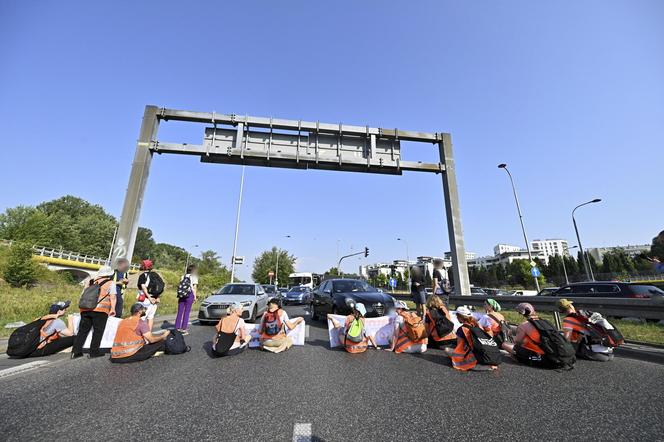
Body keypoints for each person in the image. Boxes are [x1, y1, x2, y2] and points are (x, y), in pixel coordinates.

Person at [502, 303, 575, 369]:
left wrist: (510, 334)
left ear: (521, 313)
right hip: (562, 356)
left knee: (505, 345)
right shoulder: (546, 321)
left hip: (547, 359)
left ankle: (520, 359)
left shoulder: (524, 325)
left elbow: (517, 342)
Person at [72, 266, 116, 359]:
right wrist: (113, 309)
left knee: (82, 331)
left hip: (85, 309)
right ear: (109, 274)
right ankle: (94, 352)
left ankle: (75, 352)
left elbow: (83, 294)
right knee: (98, 331)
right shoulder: (111, 283)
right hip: (100, 311)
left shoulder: (90, 281)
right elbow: (113, 297)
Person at [443, 306, 498, 371]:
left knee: (447, 350)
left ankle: (478, 366)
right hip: (484, 353)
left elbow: (459, 346)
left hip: (473, 355)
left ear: (461, 317)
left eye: (457, 316)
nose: (457, 318)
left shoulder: (461, 329)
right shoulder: (477, 325)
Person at [175, 264, 199, 335]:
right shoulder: (194, 277)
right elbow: (194, 288)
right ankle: (184, 329)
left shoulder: (183, 276)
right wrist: (195, 297)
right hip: (189, 295)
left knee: (180, 312)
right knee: (186, 312)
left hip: (182, 295)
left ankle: (177, 328)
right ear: (193, 271)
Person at [137, 259, 159, 331]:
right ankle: (148, 335)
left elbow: (144, 288)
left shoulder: (143, 276)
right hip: (154, 300)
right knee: (151, 317)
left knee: (141, 318)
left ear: (144, 266)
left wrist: (149, 298)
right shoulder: (154, 276)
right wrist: (157, 298)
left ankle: (140, 335)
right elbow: (157, 288)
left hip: (145, 300)